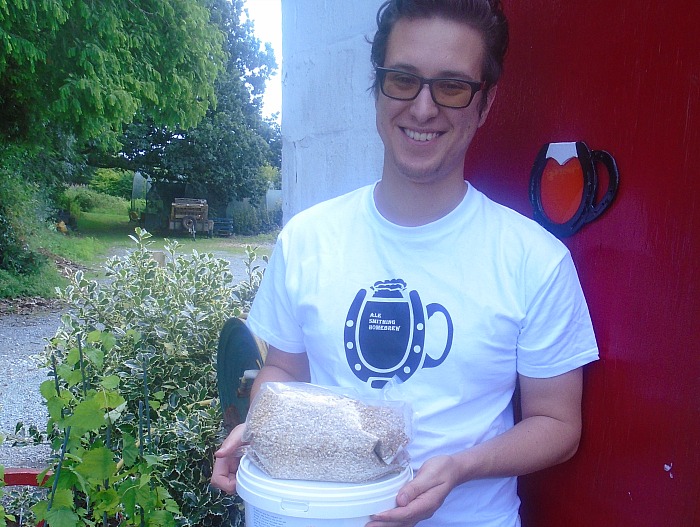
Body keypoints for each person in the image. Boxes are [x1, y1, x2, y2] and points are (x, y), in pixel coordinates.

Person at [211, 1, 599, 526]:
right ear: (377, 88)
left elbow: (558, 424)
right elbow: (284, 368)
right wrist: (260, 426)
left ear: (485, 104)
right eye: (403, 79)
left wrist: (462, 467)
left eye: (452, 86)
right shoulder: (308, 238)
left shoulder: (534, 260)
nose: (422, 108)